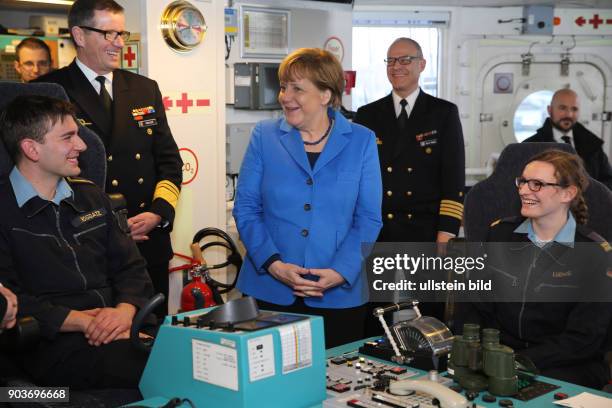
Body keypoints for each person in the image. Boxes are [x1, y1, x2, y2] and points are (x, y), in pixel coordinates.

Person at [37, 0, 183, 317]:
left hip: (147, 241)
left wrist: (158, 213)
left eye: (121, 33)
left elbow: (169, 161)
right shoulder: (48, 91)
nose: (119, 43)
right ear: (78, 34)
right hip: (85, 243)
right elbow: (37, 174)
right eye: (108, 34)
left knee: (153, 340)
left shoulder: (144, 89)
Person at [0, 94, 154, 389]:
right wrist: (85, 322)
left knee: (197, 353)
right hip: (52, 344)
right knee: (171, 367)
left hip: (121, 326)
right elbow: (10, 301)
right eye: (68, 137)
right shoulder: (4, 211)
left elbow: (131, 268)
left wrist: (124, 312)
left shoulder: (92, 196)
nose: (82, 146)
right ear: (31, 148)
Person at [233, 48, 382, 348]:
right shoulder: (265, 136)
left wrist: (340, 272)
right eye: (284, 87)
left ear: (326, 95)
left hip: (338, 295)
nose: (285, 96)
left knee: (338, 388)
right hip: (269, 291)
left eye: (297, 89)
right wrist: (274, 264)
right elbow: (247, 208)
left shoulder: (362, 140)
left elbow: (367, 218)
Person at [463, 149, 611, 389]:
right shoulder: (499, 234)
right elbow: (474, 304)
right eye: (522, 182)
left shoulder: (596, 254)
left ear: (568, 193)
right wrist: (474, 349)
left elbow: (585, 338)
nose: (523, 190)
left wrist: (519, 362)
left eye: (536, 184)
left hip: (565, 365)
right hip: (499, 354)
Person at [354, 37, 465, 326]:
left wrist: (447, 232)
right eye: (391, 60)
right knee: (375, 310)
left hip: (424, 229)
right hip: (379, 228)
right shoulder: (368, 115)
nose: (396, 66)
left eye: (404, 60)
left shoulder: (443, 112)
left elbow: (453, 178)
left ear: (421, 64)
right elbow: (359, 179)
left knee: (427, 312)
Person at [523, 88, 612, 189]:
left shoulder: (593, 144)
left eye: (574, 109)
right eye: (562, 108)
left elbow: (608, 181)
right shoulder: (530, 145)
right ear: (549, 110)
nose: (569, 114)